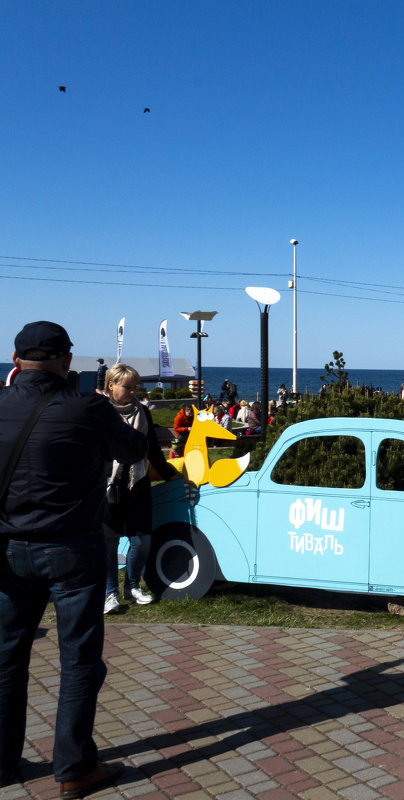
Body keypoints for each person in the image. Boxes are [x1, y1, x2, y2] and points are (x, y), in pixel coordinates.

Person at [0, 321, 147, 795]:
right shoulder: (87, 407)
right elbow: (133, 449)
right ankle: (75, 767)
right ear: (67, 360)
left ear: (15, 360)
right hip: (72, 548)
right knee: (79, 660)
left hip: (8, 550)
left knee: (6, 659)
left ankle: (3, 762)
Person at [101, 364, 180, 614]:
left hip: (138, 483)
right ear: (111, 385)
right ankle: (109, 593)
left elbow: (153, 451)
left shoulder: (143, 411)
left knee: (141, 540)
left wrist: (170, 474)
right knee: (108, 542)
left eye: (135, 387)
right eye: (127, 387)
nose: (133, 392)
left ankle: (132, 586)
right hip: (107, 485)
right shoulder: (99, 411)